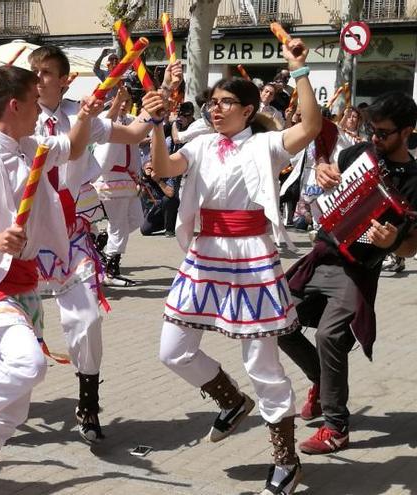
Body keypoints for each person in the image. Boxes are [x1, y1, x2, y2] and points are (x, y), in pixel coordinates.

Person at [151, 36, 321, 495]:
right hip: (204, 256)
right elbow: (163, 167)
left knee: (262, 363)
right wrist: (155, 123)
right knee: (172, 349)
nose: (215, 110)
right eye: (212, 103)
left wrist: (300, 70)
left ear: (248, 109)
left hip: (250, 260)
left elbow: (309, 128)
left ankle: (286, 462)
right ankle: (230, 400)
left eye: (225, 103)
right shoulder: (203, 145)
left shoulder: (265, 144)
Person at [0, 61, 101, 495]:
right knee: (29, 365)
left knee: (12, 411)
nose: (41, 107)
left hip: (25, 285)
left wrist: (86, 114)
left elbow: (76, 147)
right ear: (14, 105)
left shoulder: (33, 145)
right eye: (33, 101)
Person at [28, 45, 169, 442]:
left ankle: (87, 402)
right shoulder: (17, 111)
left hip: (72, 236)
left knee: (86, 319)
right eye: (33, 72)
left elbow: (135, 132)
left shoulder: (80, 112)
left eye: (44, 72)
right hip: (26, 234)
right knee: (9, 328)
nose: (37, 79)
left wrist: (154, 106)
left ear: (63, 79)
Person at [279, 91, 417, 457]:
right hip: (320, 253)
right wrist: (324, 175)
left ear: (407, 132)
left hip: (356, 269)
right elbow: (330, 185)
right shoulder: (356, 154)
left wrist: (391, 243)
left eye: (384, 132)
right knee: (278, 322)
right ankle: (321, 384)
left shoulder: (415, 180)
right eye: (372, 129)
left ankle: (336, 429)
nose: (375, 137)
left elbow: (411, 247)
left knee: (329, 337)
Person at [93, 86, 143, 286]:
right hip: (110, 177)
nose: (124, 105)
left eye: (127, 101)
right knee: (119, 225)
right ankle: (111, 269)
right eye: (120, 100)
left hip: (128, 179)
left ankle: (102, 242)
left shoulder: (130, 121)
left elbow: (138, 139)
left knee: (136, 220)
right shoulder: (106, 118)